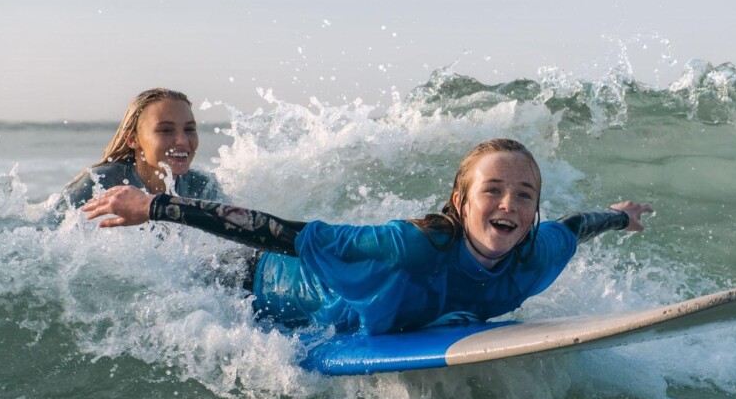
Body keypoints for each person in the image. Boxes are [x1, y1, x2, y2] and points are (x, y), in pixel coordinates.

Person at [82, 138, 652, 335]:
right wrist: (158, 205)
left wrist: (618, 216)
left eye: (524, 196)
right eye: (493, 190)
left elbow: (577, 227)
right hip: (263, 287)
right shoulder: (406, 248)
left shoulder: (538, 253)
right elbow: (281, 233)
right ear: (460, 202)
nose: (509, 205)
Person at [59, 88, 223, 208]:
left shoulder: (203, 187)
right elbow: (42, 239)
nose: (182, 140)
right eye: (165, 130)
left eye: (189, 129)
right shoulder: (100, 182)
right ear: (133, 139)